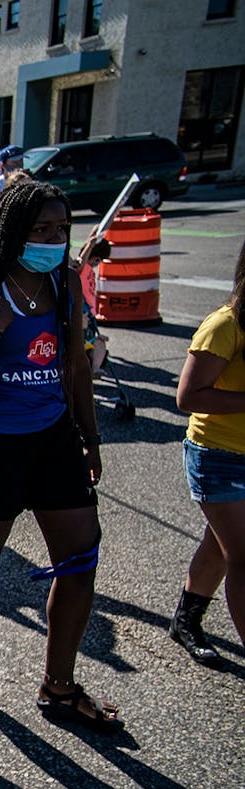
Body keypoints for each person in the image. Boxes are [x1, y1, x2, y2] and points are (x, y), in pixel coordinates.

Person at [0, 179, 120, 732]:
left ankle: (59, 686)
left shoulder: (65, 283)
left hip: (54, 440)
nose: (53, 238)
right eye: (40, 229)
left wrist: (88, 437)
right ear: (13, 231)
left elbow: (76, 366)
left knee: (80, 559)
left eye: (61, 229)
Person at [171, 240, 245, 663]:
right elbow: (188, 396)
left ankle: (186, 619)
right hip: (220, 457)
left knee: (220, 546)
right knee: (242, 557)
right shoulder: (225, 325)